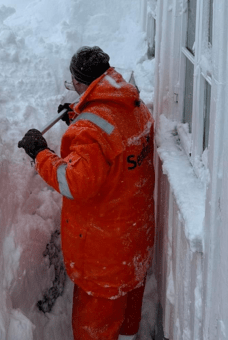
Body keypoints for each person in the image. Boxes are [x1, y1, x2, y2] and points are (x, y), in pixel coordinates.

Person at [18, 46, 155, 340]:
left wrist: (40, 153)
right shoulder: (134, 104)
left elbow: (75, 182)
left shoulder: (91, 131)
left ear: (81, 83)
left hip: (103, 254)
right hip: (134, 238)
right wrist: (80, 114)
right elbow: (115, 143)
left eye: (73, 84)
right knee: (127, 315)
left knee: (96, 328)